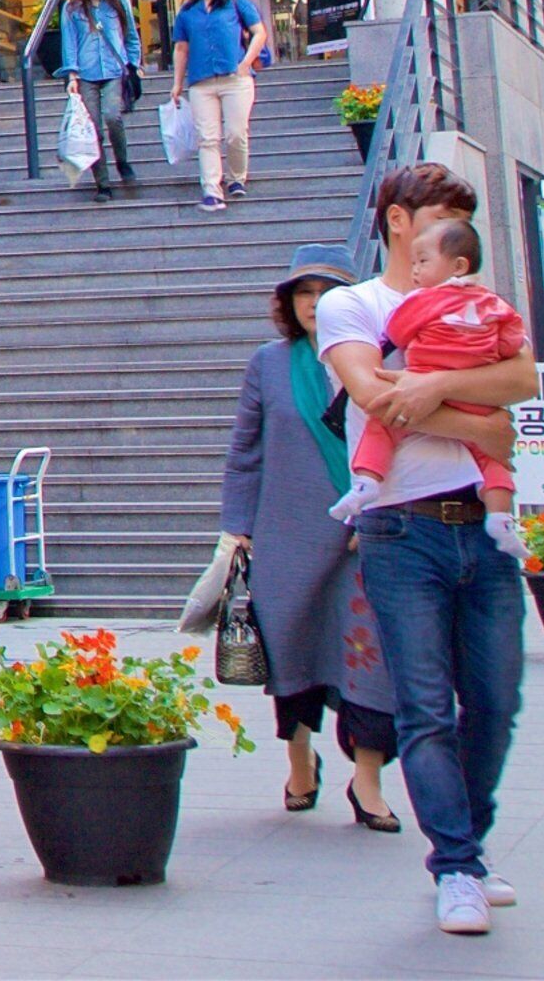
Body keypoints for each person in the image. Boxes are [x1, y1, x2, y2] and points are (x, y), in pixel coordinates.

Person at [319, 163, 538, 934]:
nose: (452, 233)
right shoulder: (354, 305)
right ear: (398, 222)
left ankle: (465, 846)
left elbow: (521, 386)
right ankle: (457, 864)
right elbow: (375, 397)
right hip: (401, 528)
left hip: (482, 521)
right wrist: (471, 413)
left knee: (497, 702)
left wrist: (432, 399)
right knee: (423, 706)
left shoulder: (478, 304)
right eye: (442, 215)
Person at [217, 247, 402, 830]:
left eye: (329, 292)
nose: (315, 304)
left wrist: (383, 512)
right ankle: (300, 758)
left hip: (365, 534)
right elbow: (245, 452)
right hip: (287, 534)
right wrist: (238, 528)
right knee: (290, 648)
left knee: (370, 658)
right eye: (304, 293)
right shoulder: (269, 364)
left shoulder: (384, 360)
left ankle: (367, 780)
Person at [335, 219, 527, 546]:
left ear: (457, 266)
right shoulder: (493, 303)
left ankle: (367, 481)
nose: (415, 272)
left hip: (423, 386)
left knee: (382, 426)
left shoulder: (423, 301)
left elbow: (397, 331)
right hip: (476, 397)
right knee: (492, 459)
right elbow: (511, 341)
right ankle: (500, 516)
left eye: (423, 262)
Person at [28, 0, 141, 201]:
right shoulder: (73, 8)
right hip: (86, 73)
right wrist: (72, 74)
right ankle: (103, 183)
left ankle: (122, 161)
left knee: (113, 116)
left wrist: (133, 64)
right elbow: (69, 43)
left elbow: (131, 36)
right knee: (92, 130)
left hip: (114, 70)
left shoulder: (119, 3)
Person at [165, 0, 266, 211]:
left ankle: (236, 177)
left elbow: (259, 32)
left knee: (235, 134)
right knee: (207, 138)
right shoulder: (187, 12)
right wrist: (177, 83)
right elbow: (181, 49)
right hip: (201, 82)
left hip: (235, 79)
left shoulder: (235, 2)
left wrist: (246, 62)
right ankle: (212, 190)